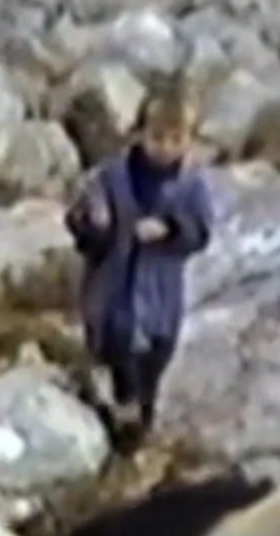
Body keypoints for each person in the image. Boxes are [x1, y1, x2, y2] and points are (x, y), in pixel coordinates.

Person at [64, 85, 215, 453]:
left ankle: (138, 424)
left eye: (176, 140)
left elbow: (201, 232)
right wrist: (94, 225)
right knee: (119, 353)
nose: (165, 148)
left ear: (190, 141)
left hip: (162, 297)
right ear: (140, 134)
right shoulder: (111, 178)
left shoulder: (191, 185)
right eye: (157, 138)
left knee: (155, 363)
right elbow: (79, 221)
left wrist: (171, 228)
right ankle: (125, 416)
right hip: (113, 290)